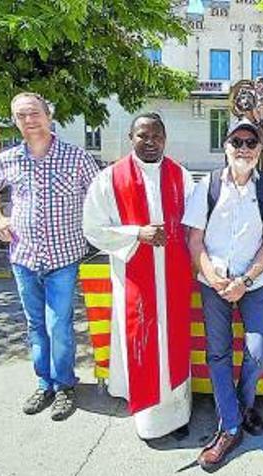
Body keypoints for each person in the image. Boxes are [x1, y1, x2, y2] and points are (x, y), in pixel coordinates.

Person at [0, 92, 100, 421]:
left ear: (49, 114)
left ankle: (64, 385)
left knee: (58, 323)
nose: (29, 120)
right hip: (24, 256)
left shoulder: (76, 157)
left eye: (34, 113)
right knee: (35, 325)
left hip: (64, 257)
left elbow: (103, 196)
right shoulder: (8, 159)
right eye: (21, 115)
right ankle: (43, 382)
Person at [82, 113, 195, 440]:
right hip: (135, 276)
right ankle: (148, 417)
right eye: (143, 135)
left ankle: (178, 412)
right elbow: (93, 228)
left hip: (173, 277)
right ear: (131, 136)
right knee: (143, 342)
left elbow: (195, 224)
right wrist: (136, 234)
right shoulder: (109, 178)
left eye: (157, 136)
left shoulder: (181, 176)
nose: (150, 142)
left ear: (165, 138)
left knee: (172, 342)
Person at [182, 119, 263, 471]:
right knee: (219, 353)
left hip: (252, 284)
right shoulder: (207, 185)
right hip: (213, 283)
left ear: (260, 150)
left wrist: (244, 279)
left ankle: (239, 405)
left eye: (250, 143)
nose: (243, 148)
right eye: (237, 142)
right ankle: (229, 425)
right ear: (226, 146)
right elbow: (194, 238)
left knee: (257, 349)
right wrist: (213, 277)